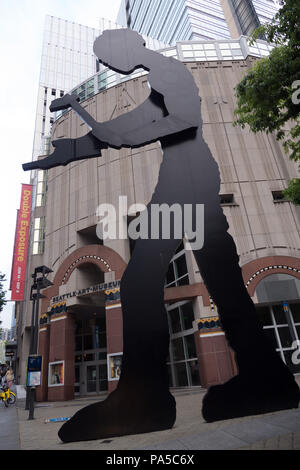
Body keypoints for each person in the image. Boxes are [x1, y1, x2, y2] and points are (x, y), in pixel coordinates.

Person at [23, 29, 299, 442]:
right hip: (183, 177)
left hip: (188, 179)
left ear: (128, 47)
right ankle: (261, 374)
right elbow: (123, 127)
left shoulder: (169, 72)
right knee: (219, 279)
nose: (109, 64)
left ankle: (146, 394)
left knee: (145, 279)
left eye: (109, 55)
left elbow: (182, 121)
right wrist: (70, 150)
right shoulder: (158, 82)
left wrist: (119, 135)